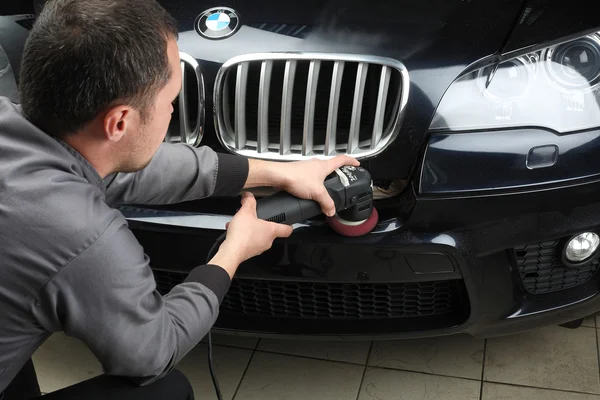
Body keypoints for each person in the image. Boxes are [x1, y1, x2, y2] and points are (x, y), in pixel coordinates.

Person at [0, 0, 360, 399]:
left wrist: (280, 171)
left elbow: (126, 170)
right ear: (119, 122)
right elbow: (150, 353)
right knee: (166, 391)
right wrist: (232, 253)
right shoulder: (83, 237)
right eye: (170, 99)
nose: (172, 110)